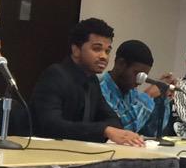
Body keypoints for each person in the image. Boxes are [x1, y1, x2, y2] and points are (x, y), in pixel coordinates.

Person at [30, 17, 143, 145]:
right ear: (76, 50)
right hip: (45, 150)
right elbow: (51, 126)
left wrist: (106, 130)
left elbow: (113, 121)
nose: (104, 56)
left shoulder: (92, 80)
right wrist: (103, 130)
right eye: (97, 49)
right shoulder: (55, 75)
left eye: (107, 51)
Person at [98, 39, 171, 137]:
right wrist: (148, 96)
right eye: (137, 74)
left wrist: (161, 99)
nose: (139, 82)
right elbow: (121, 131)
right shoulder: (99, 87)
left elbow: (151, 131)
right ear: (120, 64)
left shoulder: (132, 92)